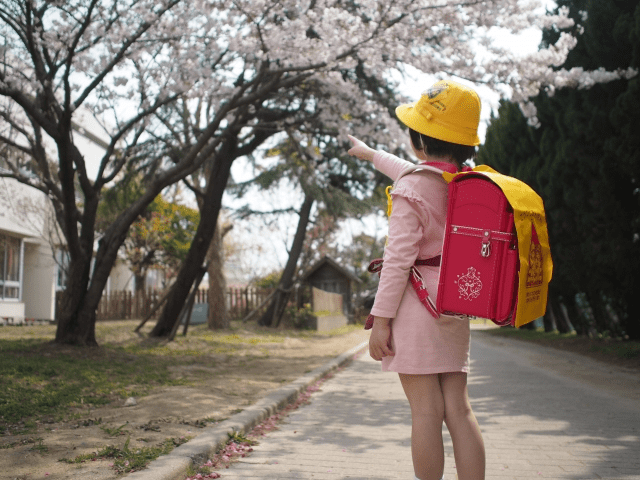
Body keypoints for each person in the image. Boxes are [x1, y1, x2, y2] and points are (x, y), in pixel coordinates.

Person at [347, 79, 486, 480]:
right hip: (455, 304)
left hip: (417, 307)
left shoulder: (411, 190)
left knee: (425, 411)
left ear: (418, 140)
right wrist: (370, 154)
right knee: (458, 409)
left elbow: (396, 263)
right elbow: (408, 169)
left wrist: (381, 322)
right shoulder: (467, 181)